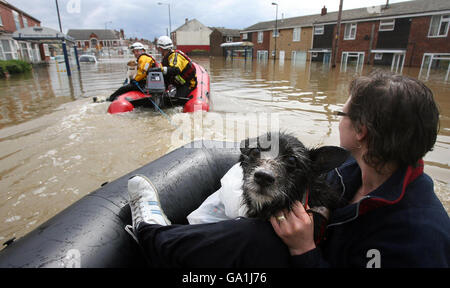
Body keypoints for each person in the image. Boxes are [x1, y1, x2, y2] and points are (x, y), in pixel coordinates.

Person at [125, 71, 450, 268]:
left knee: (255, 238)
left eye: (342, 112)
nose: (339, 119)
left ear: (361, 131)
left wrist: (305, 250)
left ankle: (150, 234)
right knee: (255, 228)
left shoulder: (420, 237)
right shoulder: (356, 170)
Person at [155, 35, 197, 101]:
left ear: (161, 48)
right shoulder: (168, 57)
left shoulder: (175, 56)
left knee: (176, 100)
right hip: (179, 81)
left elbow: (176, 70)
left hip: (187, 83)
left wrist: (160, 69)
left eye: (159, 48)